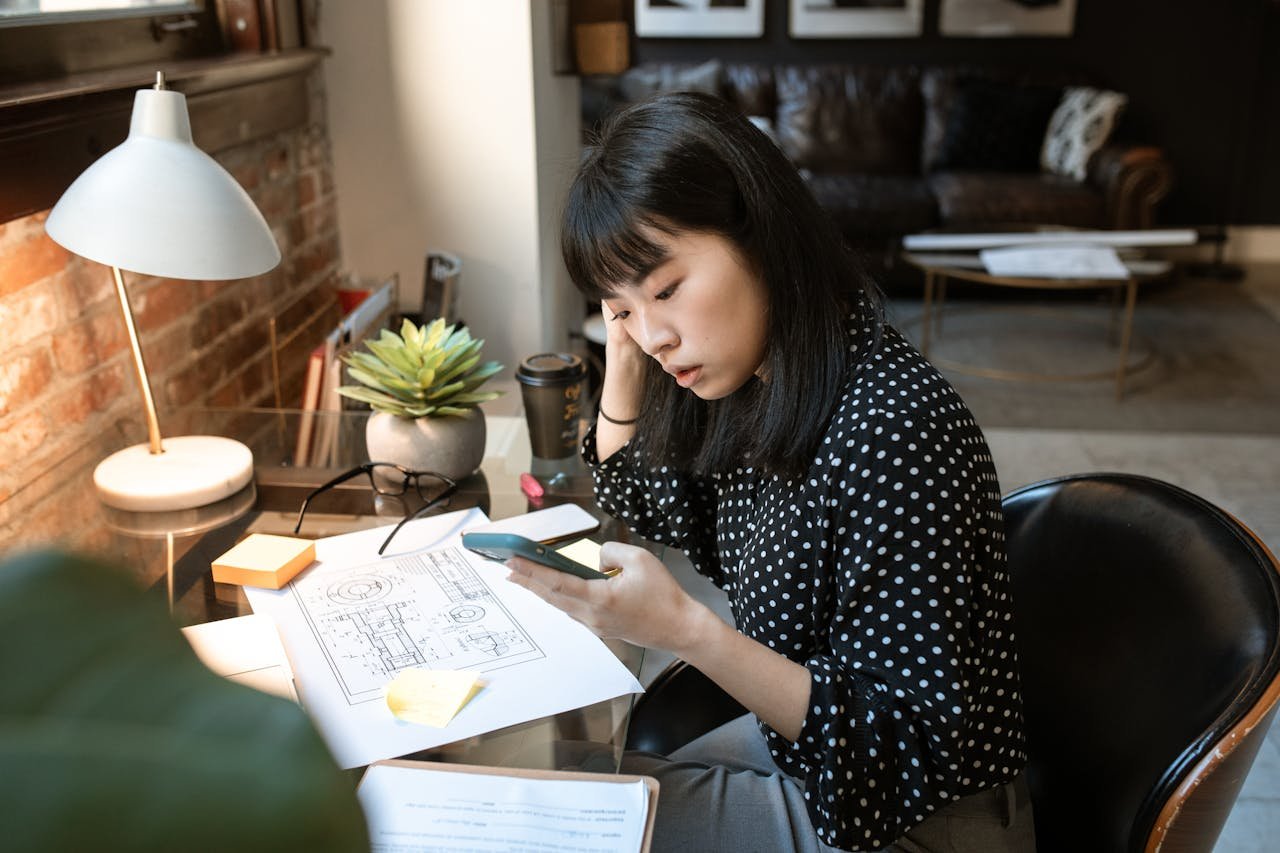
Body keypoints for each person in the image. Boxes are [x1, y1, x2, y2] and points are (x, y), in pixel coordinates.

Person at [504, 91, 1035, 853]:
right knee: (571, 793)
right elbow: (652, 503)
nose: (653, 335)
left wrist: (687, 629)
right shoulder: (764, 381)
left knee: (564, 827)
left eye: (666, 289)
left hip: (911, 820)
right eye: (618, 309)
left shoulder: (892, 430)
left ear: (761, 236)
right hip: (812, 759)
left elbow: (903, 751)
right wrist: (622, 348)